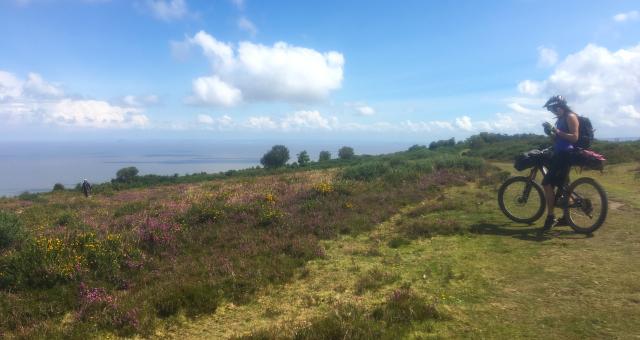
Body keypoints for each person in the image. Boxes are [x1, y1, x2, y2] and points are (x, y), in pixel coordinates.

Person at [540, 95, 579, 231]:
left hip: (565, 155)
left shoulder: (570, 116)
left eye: (553, 109)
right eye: (550, 110)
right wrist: (551, 133)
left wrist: (556, 131)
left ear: (559, 106)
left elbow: (574, 138)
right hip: (559, 154)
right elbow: (558, 139)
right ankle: (566, 218)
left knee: (546, 183)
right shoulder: (561, 119)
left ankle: (550, 217)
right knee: (563, 186)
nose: (552, 111)